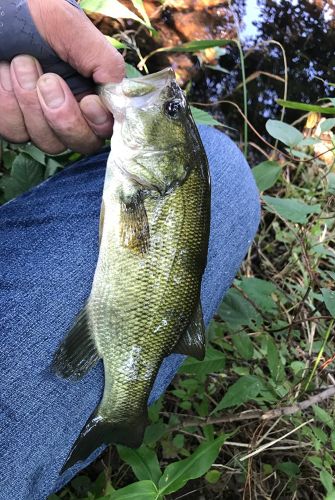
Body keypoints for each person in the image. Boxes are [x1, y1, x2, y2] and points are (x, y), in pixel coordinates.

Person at [0, 1, 260, 499]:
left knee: (223, 172)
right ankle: (120, 407)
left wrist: (18, 19)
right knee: (224, 175)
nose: (167, 89)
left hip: (133, 298)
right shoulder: (156, 180)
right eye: (172, 108)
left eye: (171, 109)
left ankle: (121, 408)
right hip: (138, 289)